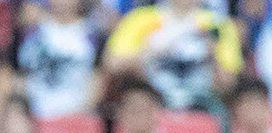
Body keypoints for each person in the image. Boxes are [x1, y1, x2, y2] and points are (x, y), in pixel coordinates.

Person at [104, 0, 243, 114]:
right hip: (154, 104)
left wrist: (213, 54)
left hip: (201, 106)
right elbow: (112, 65)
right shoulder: (141, 19)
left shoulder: (217, 24)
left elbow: (229, 82)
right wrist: (152, 52)